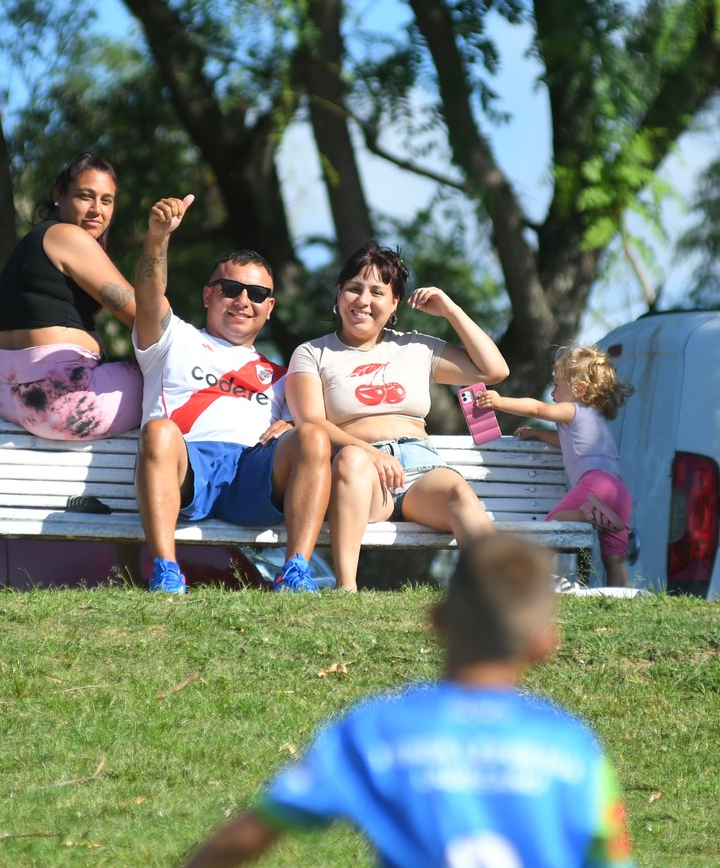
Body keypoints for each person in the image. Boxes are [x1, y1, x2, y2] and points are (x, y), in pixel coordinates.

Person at [182, 532, 636, 868]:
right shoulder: (575, 748)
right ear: (544, 644)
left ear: (436, 621)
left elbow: (246, 837)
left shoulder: (377, 730)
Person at [133, 194, 332, 593]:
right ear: (209, 295)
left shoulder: (284, 374)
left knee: (313, 435)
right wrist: (158, 239)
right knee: (158, 431)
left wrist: (292, 424)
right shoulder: (173, 338)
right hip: (188, 468)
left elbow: (322, 431)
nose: (243, 301)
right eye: (231, 289)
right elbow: (150, 296)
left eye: (256, 295)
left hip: (252, 475)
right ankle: (166, 572)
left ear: (270, 306)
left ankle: (295, 573)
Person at [286, 241, 509, 592]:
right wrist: (369, 452)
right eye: (354, 288)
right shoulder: (313, 353)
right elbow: (310, 422)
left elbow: (494, 370)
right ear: (339, 294)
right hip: (359, 473)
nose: (363, 300)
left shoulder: (416, 346)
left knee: (459, 494)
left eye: (377, 292)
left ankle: (495, 593)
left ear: (393, 305)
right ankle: (346, 588)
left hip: (420, 468)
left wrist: (450, 310)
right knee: (351, 462)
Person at [0, 153, 142, 439]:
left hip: (2, 398)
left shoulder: (33, 242)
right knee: (177, 381)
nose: (97, 209)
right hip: (58, 399)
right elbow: (142, 317)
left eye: (106, 201)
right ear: (59, 194)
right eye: (86, 196)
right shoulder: (68, 236)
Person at [478, 344, 636, 587]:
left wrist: (499, 402)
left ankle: (532, 579)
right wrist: (538, 434)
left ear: (579, 388)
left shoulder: (573, 409)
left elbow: (537, 408)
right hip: (619, 492)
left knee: (553, 525)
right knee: (614, 558)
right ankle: (622, 600)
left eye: (557, 385)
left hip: (595, 485)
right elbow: (567, 443)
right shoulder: (594, 417)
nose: (552, 394)